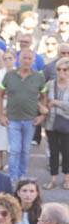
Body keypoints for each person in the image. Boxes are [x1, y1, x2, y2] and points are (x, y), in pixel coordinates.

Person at [0, 49, 49, 182]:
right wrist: (1, 115)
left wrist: (41, 116)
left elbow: (44, 96)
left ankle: (22, 176)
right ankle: (13, 178)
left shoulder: (39, 77)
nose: (26, 61)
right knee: (14, 150)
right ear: (19, 59)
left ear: (33, 61)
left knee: (25, 150)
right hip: (13, 119)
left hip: (30, 120)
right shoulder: (9, 75)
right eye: (24, 58)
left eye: (29, 59)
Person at [45, 57, 69, 190]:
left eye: (65, 69)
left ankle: (67, 179)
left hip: (67, 123)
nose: (62, 72)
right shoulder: (50, 84)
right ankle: (53, 179)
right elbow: (41, 97)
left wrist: (57, 103)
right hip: (51, 122)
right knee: (53, 152)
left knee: (67, 152)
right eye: (59, 69)